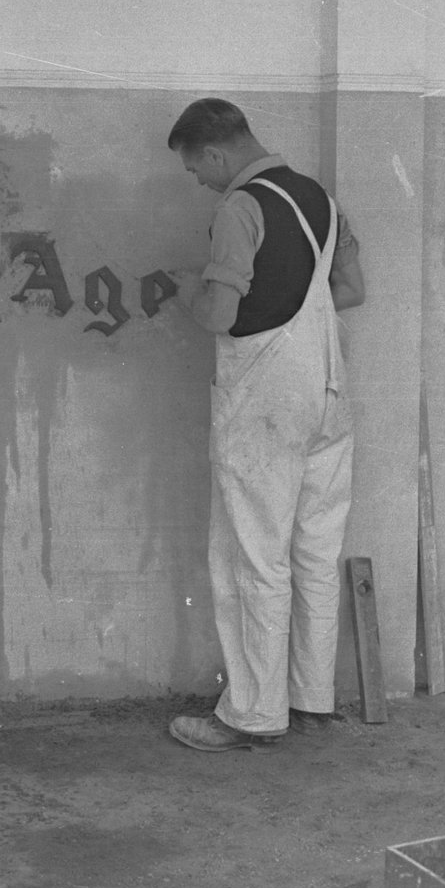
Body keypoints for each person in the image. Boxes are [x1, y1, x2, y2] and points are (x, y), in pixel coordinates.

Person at [164, 98, 366, 752]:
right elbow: (350, 291)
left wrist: (186, 292)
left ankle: (250, 714)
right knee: (314, 553)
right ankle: (310, 699)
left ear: (216, 154)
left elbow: (221, 316)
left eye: (196, 169)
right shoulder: (321, 201)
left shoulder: (240, 208)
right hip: (329, 398)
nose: (199, 181)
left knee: (251, 559)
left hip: (267, 405)